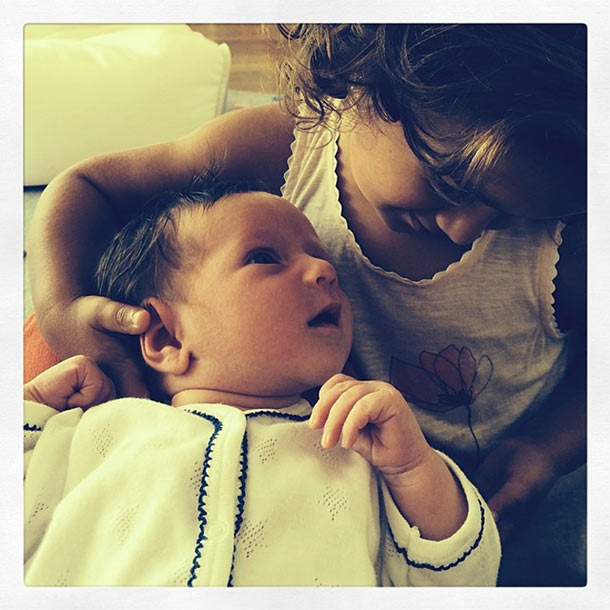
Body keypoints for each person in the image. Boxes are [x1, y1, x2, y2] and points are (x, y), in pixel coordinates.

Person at [25, 24, 586, 584]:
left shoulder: (570, 236)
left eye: (511, 213)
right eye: (450, 181)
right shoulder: (285, 146)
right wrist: (61, 317)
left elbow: (458, 569)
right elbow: (86, 185)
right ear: (361, 77)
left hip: (470, 499)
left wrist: (545, 449)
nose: (463, 228)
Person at [23, 180, 501, 586]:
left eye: (323, 259)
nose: (324, 271)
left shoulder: (360, 449)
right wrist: (31, 409)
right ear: (166, 336)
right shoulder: (100, 431)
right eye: (265, 257)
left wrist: (413, 469)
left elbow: (463, 577)